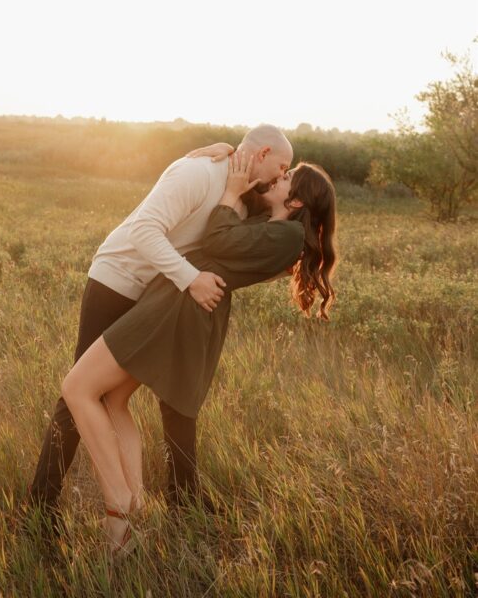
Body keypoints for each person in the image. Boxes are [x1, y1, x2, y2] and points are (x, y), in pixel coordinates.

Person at [61, 151, 338, 553]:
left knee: (77, 389)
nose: (279, 178)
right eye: (283, 169)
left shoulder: (287, 237)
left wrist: (227, 192)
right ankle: (133, 508)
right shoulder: (273, 226)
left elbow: (218, 237)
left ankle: (118, 503)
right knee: (114, 399)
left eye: (287, 177)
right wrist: (205, 153)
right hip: (173, 302)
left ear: (295, 202)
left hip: (174, 311)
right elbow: (239, 205)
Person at [26, 125, 293, 523]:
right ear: (263, 151)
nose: (282, 175)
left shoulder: (242, 197)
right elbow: (143, 230)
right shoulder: (197, 174)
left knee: (163, 396)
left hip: (156, 294)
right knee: (80, 395)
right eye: (283, 166)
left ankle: (181, 499)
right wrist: (191, 279)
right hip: (116, 279)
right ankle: (40, 508)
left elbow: (267, 227)